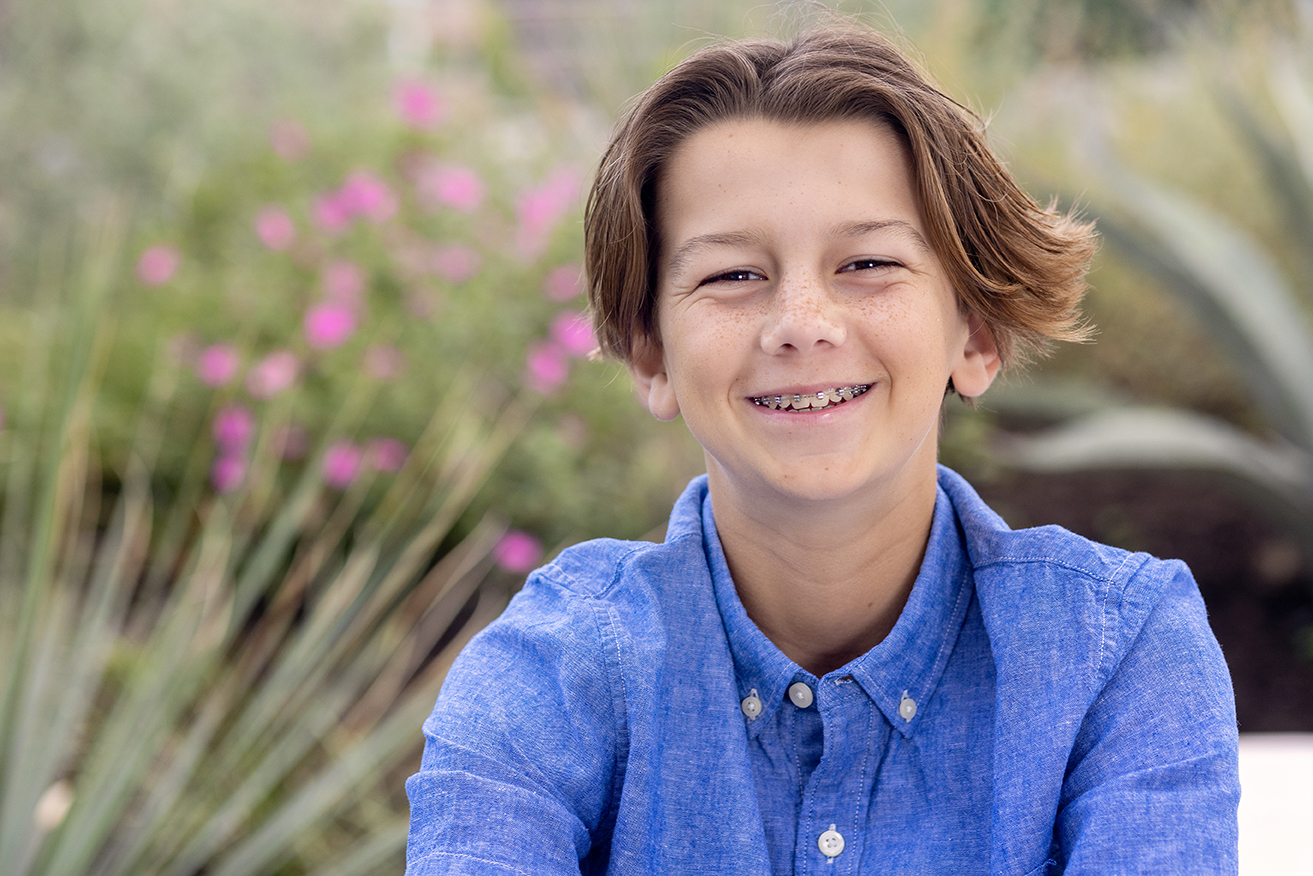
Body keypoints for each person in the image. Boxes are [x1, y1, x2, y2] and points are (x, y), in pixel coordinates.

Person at [405, 23, 1239, 876]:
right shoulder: (551, 672)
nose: (801, 325)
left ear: (976, 334)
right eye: (732, 275)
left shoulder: (1118, 652)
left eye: (868, 263)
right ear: (651, 355)